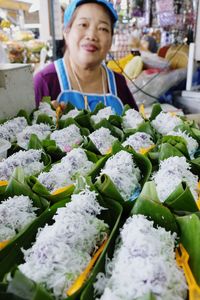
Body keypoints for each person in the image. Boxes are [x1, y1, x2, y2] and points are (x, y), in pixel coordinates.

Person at [34, 0, 138, 115]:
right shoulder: (46, 82)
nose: (92, 35)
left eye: (103, 28)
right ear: (66, 32)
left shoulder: (119, 84)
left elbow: (138, 127)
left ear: (111, 40)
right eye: (83, 25)